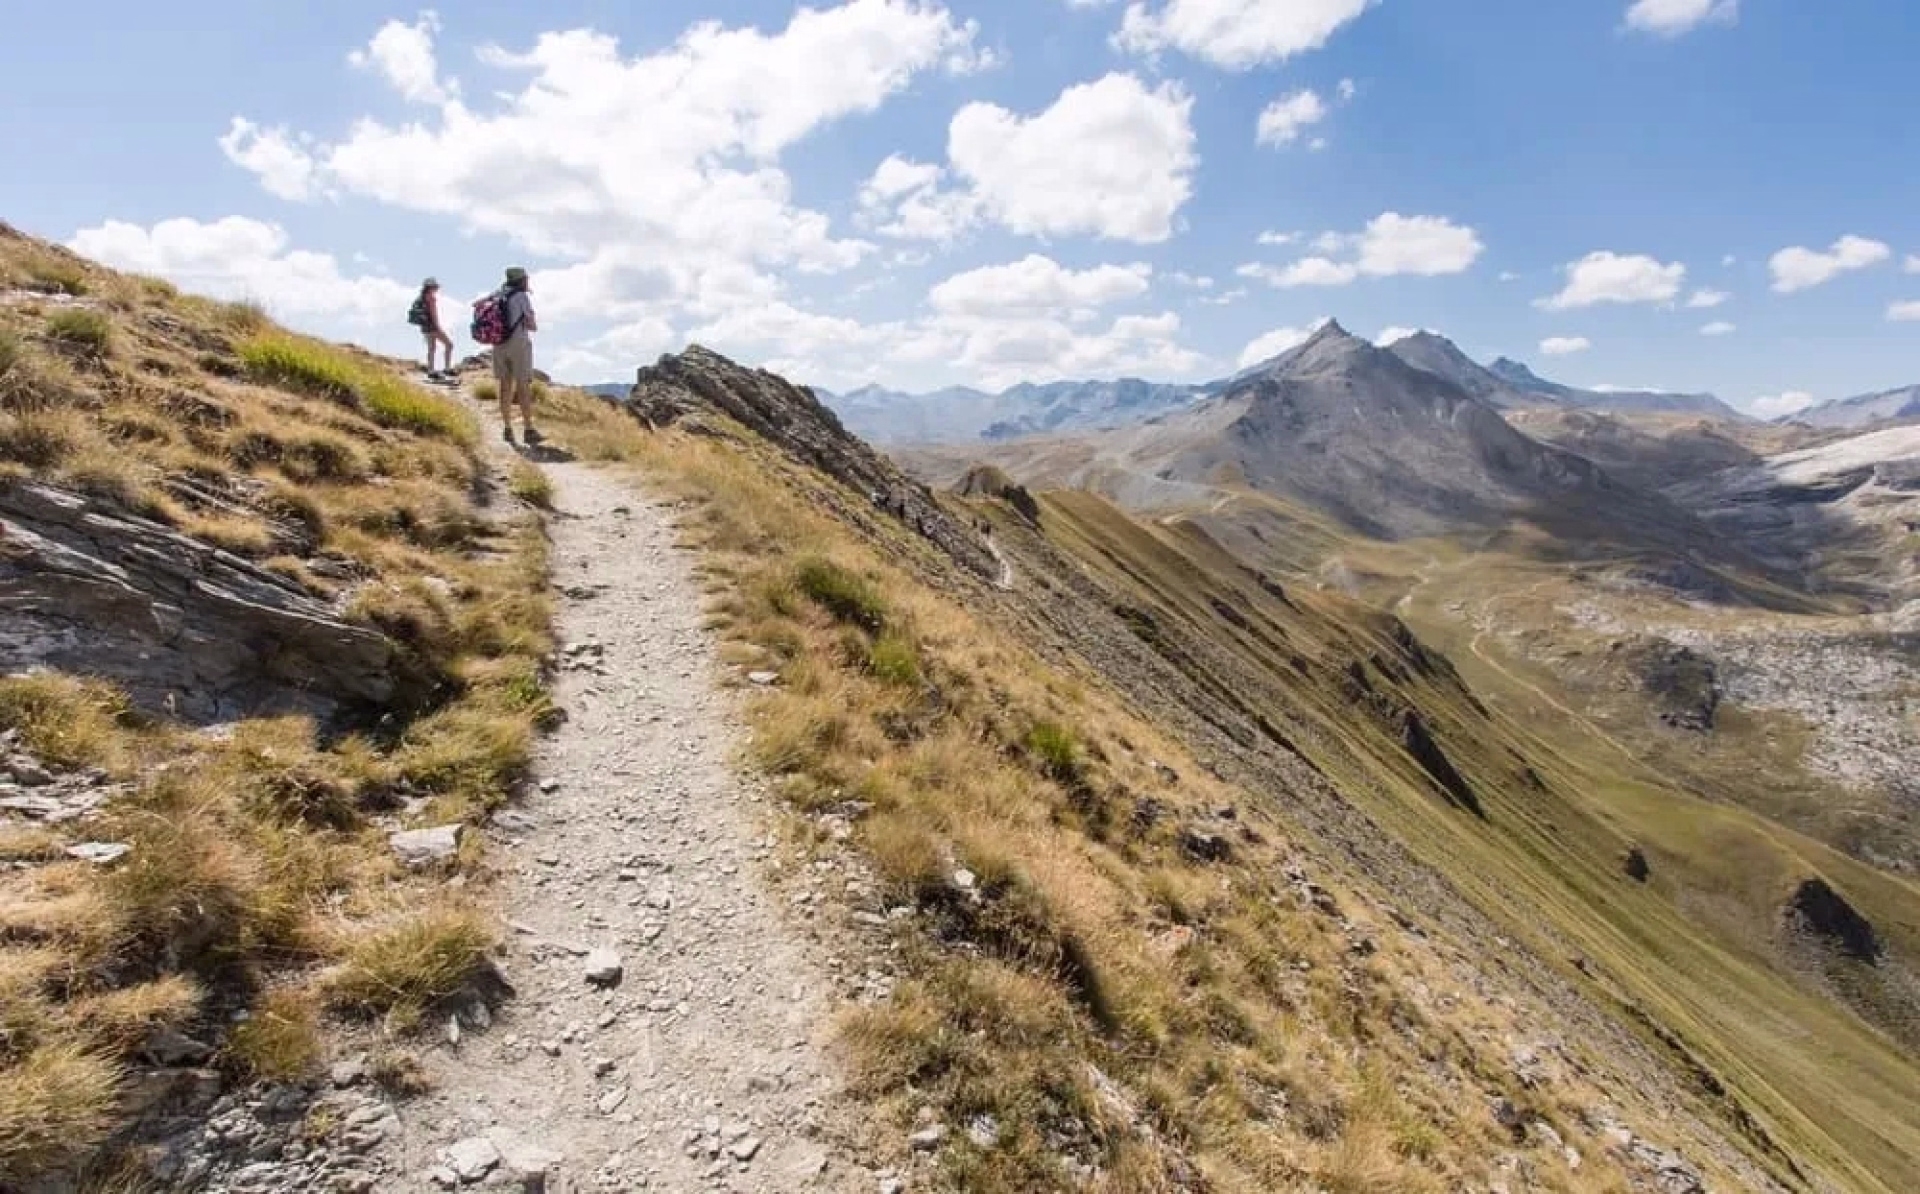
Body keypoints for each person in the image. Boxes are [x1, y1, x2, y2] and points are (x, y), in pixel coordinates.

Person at [493, 267, 541, 444]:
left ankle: (507, 428)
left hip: (498, 344)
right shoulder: (521, 296)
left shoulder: (497, 295)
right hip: (518, 344)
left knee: (505, 387)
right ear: (521, 280)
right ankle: (528, 429)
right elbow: (532, 325)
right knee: (522, 386)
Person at [416, 278, 454, 379]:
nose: (437, 288)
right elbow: (434, 314)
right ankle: (447, 368)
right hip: (433, 327)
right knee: (449, 345)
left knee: (431, 348)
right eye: (435, 286)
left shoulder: (422, 297)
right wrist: (438, 326)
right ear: (431, 287)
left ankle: (431, 370)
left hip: (425, 327)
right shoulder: (431, 297)